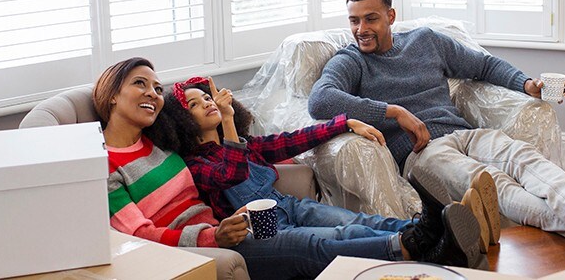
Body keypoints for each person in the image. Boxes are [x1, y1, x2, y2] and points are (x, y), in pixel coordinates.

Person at [307, 0, 565, 258]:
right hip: (422, 154)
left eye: (371, 19)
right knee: (491, 181)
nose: (361, 30)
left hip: (465, 134)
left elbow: (484, 65)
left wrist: (528, 85)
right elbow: (321, 100)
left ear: (390, 16)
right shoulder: (350, 61)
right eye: (354, 21)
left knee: (522, 157)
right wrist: (392, 112)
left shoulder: (426, 41)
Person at [94, 58, 483, 279]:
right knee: (319, 241)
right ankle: (421, 245)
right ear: (111, 95)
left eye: (156, 88)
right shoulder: (176, 159)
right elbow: (223, 177)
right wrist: (227, 119)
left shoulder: (159, 147)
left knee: (354, 222)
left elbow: (287, 141)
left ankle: (434, 228)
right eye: (140, 84)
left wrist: (344, 122)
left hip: (271, 210)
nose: (152, 94)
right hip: (231, 233)